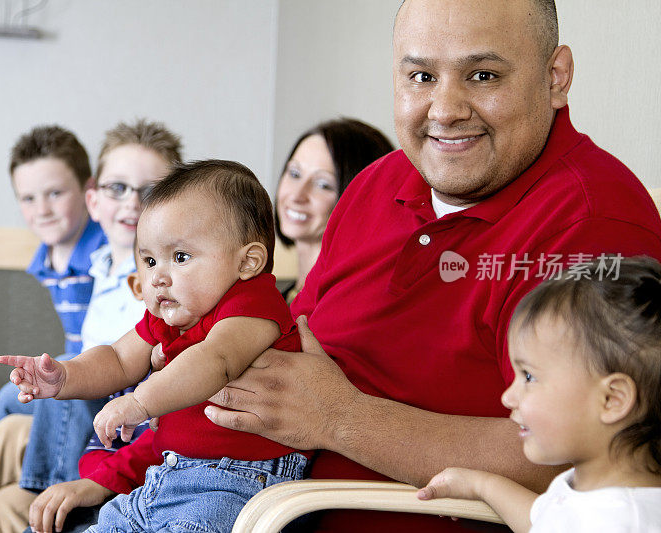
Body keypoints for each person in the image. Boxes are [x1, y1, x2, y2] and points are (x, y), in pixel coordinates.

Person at [198, 0, 661, 531]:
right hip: (227, 492)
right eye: (421, 76)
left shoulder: (594, 224)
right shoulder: (377, 182)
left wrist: (342, 420)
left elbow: (600, 453)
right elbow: (290, 344)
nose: (444, 110)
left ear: (556, 77)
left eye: (482, 75)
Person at [0, 160, 309, 532]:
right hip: (166, 477)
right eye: (148, 260)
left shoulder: (253, 306)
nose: (158, 277)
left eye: (180, 257)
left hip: (239, 487)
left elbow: (216, 361)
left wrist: (139, 402)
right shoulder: (170, 318)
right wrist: (65, 377)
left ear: (247, 262)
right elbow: (116, 358)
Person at [0, 119, 183, 533]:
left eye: (148, 192)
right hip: (95, 428)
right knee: (7, 432)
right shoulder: (103, 268)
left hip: (119, 435)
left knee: (29, 398)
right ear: (97, 199)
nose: (131, 202)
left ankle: (48, 486)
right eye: (118, 188)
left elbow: (139, 382)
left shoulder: (158, 282)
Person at [418, 256, 661, 532]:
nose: (507, 398)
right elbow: (542, 521)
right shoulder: (588, 490)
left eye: (529, 376)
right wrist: (481, 486)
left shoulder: (621, 522)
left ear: (611, 400)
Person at [0, 125, 107, 432]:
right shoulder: (44, 261)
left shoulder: (106, 251)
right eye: (28, 198)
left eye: (55, 193)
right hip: (76, 373)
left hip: (108, 372)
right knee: (8, 407)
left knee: (8, 400)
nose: (42, 210)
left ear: (88, 192)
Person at [274, 118, 394, 301]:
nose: (297, 195)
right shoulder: (272, 294)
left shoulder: (349, 306)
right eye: (295, 174)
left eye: (323, 185)